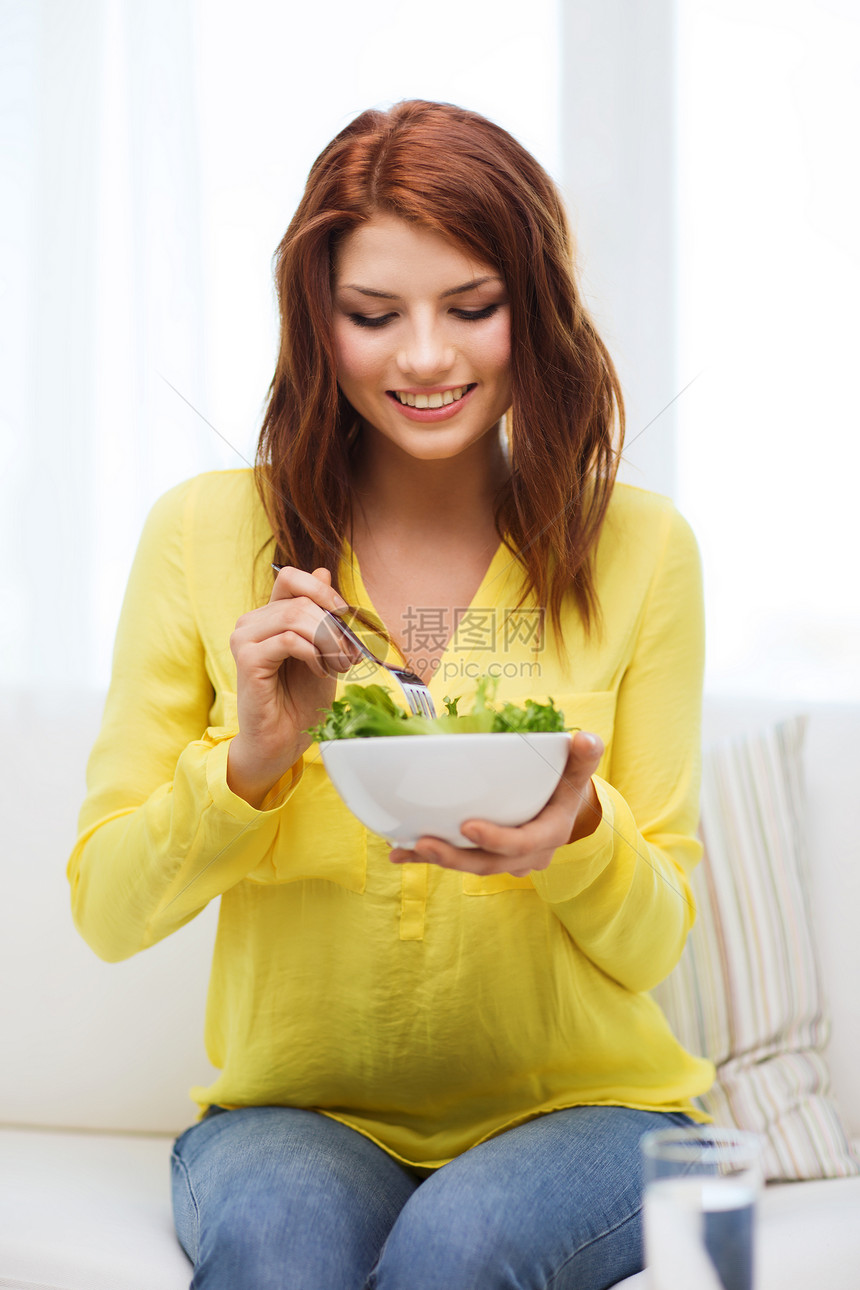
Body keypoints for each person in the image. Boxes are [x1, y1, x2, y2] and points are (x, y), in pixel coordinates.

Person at [68, 99, 714, 1290]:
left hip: (589, 1109)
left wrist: (574, 831)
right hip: (297, 1117)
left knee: (456, 1253)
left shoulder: (642, 549)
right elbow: (107, 911)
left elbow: (659, 931)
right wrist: (250, 765)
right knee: (275, 1250)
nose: (425, 357)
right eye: (375, 315)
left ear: (537, 309)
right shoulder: (202, 535)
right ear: (320, 324)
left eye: (472, 308)